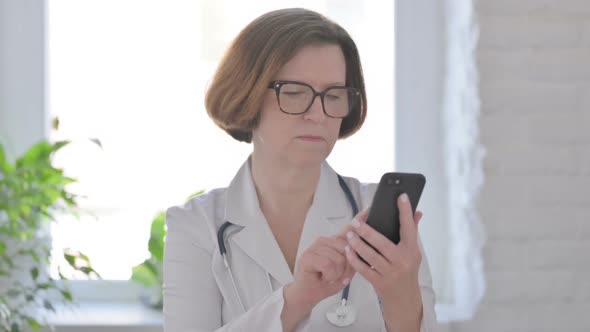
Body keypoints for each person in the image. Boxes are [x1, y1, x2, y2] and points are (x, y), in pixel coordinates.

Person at [163, 8, 436, 332]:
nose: (318, 114)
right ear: (246, 94)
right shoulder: (195, 226)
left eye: (334, 95)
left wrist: (401, 295)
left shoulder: (380, 214)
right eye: (294, 93)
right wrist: (298, 299)